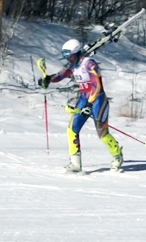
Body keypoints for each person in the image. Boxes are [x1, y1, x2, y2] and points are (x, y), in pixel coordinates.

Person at [38, 39, 123, 173]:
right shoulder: (74, 65)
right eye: (67, 57)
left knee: (102, 133)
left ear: (77, 53)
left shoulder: (89, 64)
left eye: (70, 56)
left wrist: (89, 104)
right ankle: (75, 163)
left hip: (97, 100)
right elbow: (63, 74)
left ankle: (117, 155)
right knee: (72, 129)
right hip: (83, 99)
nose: (69, 59)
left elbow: (98, 85)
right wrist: (49, 79)